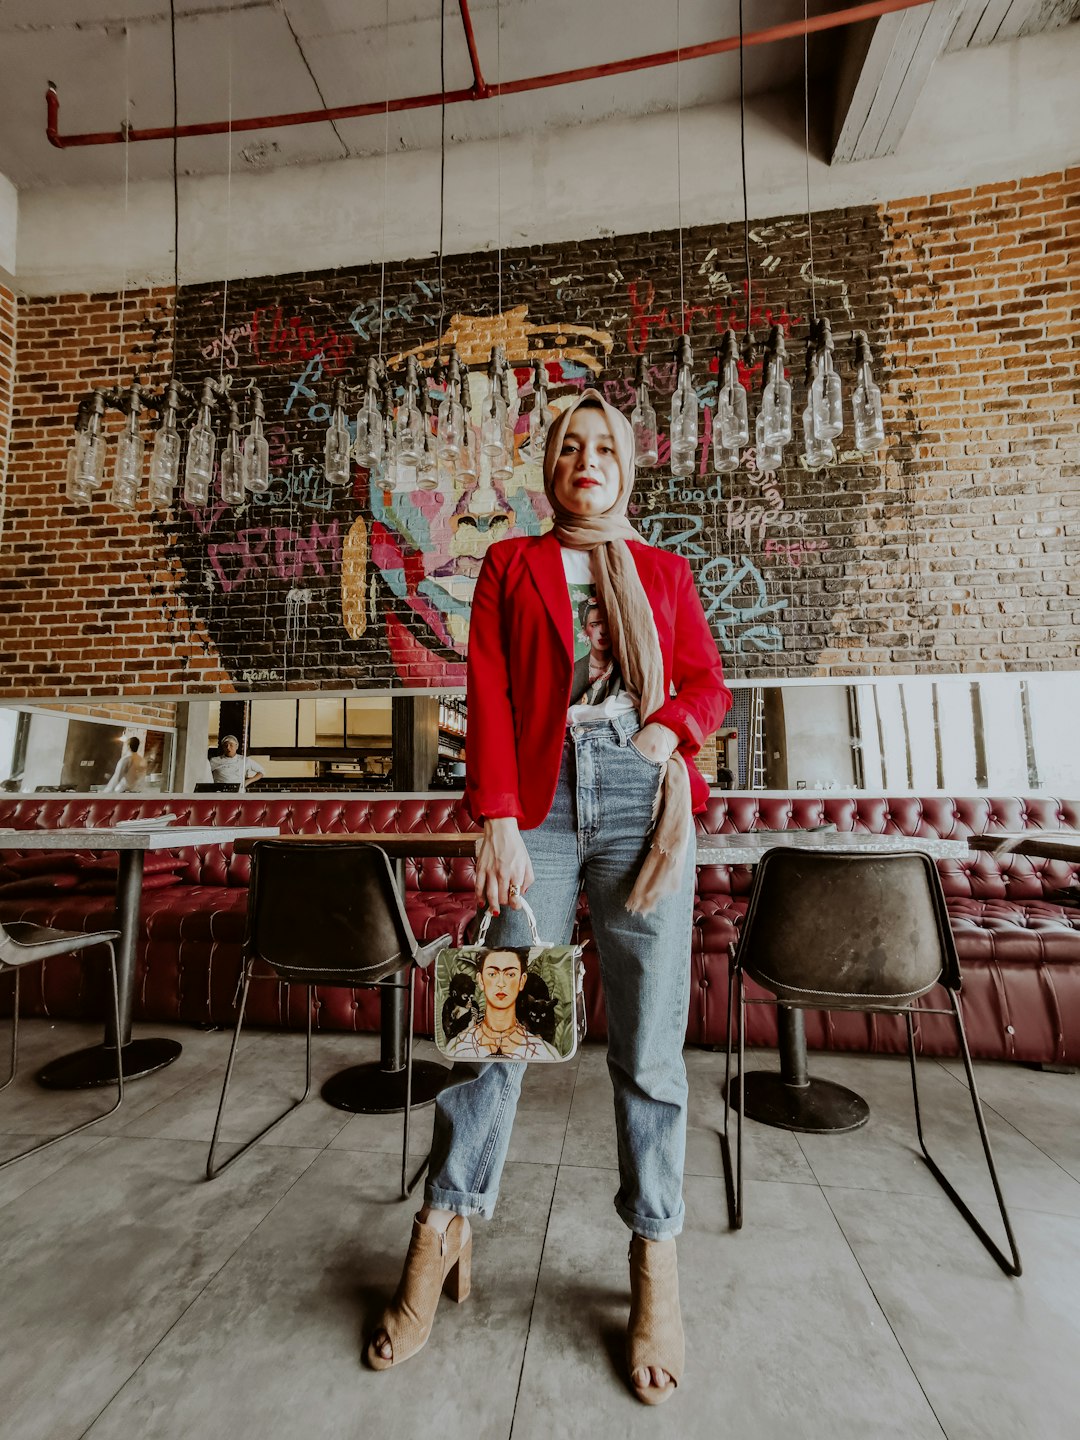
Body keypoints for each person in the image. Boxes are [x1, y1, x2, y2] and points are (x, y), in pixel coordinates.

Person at [366, 388, 730, 1404]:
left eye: (604, 445)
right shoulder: (513, 565)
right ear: (553, 469)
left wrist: (668, 731)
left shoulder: (662, 570)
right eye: (570, 446)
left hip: (643, 796)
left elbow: (705, 681)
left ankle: (655, 1258)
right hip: (535, 798)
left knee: (651, 1047)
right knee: (496, 1025)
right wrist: (492, 815)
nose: (587, 459)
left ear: (625, 466)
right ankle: (442, 1227)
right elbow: (486, 684)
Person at [444, 947, 561, 1060]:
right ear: (480, 980)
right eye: (492, 974)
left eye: (510, 974)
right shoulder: (458, 1046)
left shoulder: (543, 1051)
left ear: (522, 981)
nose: (501, 983)